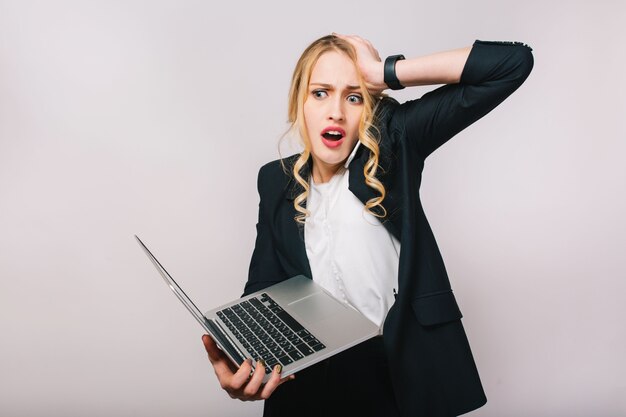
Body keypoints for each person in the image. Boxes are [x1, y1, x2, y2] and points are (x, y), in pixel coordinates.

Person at [202, 33, 533, 417]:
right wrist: (245, 363)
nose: (336, 112)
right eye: (320, 93)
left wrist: (384, 72)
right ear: (299, 102)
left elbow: (511, 65)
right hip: (306, 385)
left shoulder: (394, 146)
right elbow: (263, 288)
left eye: (354, 96)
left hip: (394, 376)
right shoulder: (275, 180)